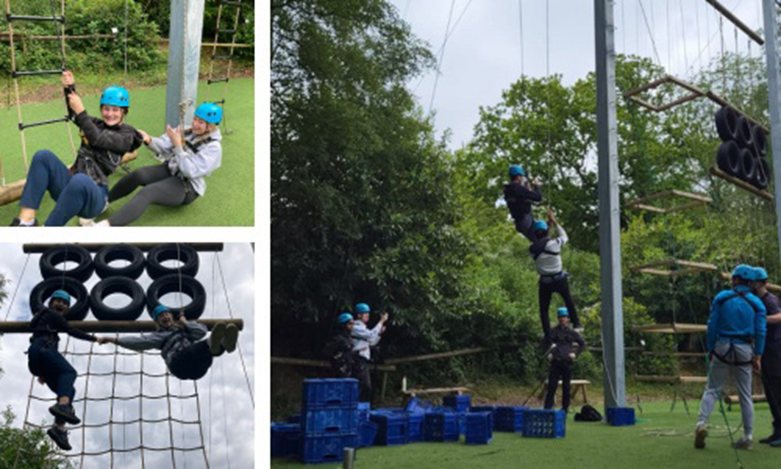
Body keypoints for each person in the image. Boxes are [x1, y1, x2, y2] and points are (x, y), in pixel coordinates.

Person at [11, 71, 142, 226]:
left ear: (124, 112)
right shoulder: (98, 124)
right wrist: (69, 88)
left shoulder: (127, 136)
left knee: (81, 179)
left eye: (115, 110)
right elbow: (75, 116)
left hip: (94, 197)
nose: (109, 114)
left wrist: (81, 111)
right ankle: (26, 221)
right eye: (106, 109)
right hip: (70, 187)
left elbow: (97, 138)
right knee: (42, 157)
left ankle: (49, 231)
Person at [90, 103, 223, 226]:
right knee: (139, 174)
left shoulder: (214, 148)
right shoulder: (187, 130)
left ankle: (106, 227)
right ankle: (103, 203)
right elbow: (164, 146)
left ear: (210, 127)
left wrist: (177, 145)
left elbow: (190, 171)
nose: (194, 124)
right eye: (195, 119)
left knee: (148, 192)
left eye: (201, 122)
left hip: (187, 186)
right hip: (170, 170)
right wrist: (148, 139)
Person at [695, 264, 766, 451]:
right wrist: (758, 355)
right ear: (750, 283)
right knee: (745, 394)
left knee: (712, 388)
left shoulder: (722, 298)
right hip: (744, 348)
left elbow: (712, 325)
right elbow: (760, 331)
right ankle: (748, 436)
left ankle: (701, 423)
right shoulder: (756, 303)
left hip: (722, 345)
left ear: (734, 280)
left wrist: (711, 348)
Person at [27, 290, 100, 451]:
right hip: (43, 349)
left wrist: (42, 372)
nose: (61, 304)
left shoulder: (43, 318)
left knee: (69, 390)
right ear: (50, 303)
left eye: (64, 303)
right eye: (57, 301)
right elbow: (71, 330)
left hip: (38, 358)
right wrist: (95, 338)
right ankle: (63, 407)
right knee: (69, 373)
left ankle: (59, 428)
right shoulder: (53, 315)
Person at [98, 305, 238, 380]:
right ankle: (216, 344)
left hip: (198, 370)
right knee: (196, 349)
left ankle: (222, 346)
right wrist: (113, 340)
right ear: (157, 322)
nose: (165, 317)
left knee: (206, 353)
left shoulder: (185, 330)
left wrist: (184, 321)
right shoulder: (158, 337)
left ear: (172, 317)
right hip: (179, 364)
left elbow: (200, 331)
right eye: (161, 316)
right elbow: (138, 342)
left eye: (167, 314)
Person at [531, 207, 581, 336]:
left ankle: (547, 335)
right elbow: (564, 237)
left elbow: (541, 241)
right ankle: (576, 324)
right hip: (559, 279)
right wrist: (554, 222)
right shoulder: (555, 243)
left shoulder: (532, 249)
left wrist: (547, 228)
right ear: (547, 232)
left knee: (544, 310)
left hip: (545, 282)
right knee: (568, 301)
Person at [750, 267, 781, 447]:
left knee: (777, 391)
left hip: (776, 350)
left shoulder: (770, 300)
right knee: (769, 392)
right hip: (766, 351)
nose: (753, 285)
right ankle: (776, 430)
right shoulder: (757, 301)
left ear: (762, 283)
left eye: (755, 282)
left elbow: (779, 316)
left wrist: (762, 319)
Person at [543, 307, 586, 413]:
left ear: (568, 319)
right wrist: (549, 353)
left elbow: (582, 344)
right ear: (558, 318)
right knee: (552, 385)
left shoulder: (572, 333)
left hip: (567, 362)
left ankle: (565, 408)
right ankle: (547, 408)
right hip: (555, 362)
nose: (563, 319)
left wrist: (575, 354)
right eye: (561, 317)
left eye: (565, 317)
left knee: (566, 387)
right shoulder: (552, 331)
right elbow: (544, 343)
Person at [351, 303, 389, 402]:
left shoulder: (363, 327)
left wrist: (379, 334)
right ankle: (359, 407)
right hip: (357, 359)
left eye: (368, 313)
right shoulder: (356, 326)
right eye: (365, 313)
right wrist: (381, 321)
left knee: (366, 386)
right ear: (359, 315)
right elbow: (371, 335)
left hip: (363, 360)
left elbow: (372, 342)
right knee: (365, 386)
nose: (367, 315)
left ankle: (362, 407)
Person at [503, 164, 543, 242]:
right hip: (525, 221)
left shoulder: (507, 190)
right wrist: (537, 186)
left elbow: (519, 198)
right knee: (541, 241)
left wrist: (526, 187)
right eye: (521, 176)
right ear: (518, 176)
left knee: (538, 242)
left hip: (519, 223)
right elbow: (538, 197)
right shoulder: (518, 189)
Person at [324, 313, 357, 378]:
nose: (352, 326)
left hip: (349, 368)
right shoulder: (338, 339)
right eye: (350, 324)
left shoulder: (349, 338)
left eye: (353, 324)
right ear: (343, 325)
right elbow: (327, 352)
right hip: (338, 370)